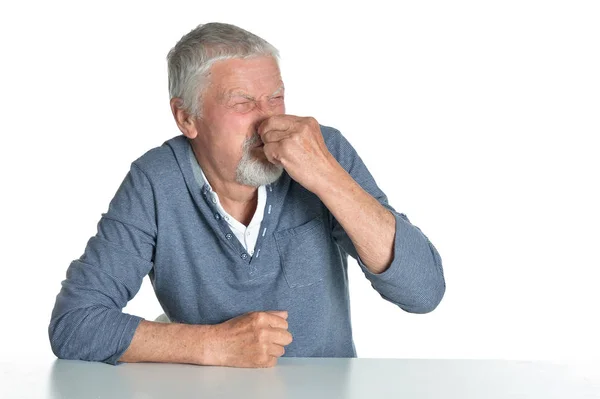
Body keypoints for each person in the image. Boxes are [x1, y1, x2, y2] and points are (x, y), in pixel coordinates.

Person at [48, 22, 446, 368]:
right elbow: (75, 324)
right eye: (242, 103)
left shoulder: (324, 152)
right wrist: (212, 344)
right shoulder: (155, 180)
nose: (268, 120)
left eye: (275, 98)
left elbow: (423, 292)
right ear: (187, 118)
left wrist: (327, 177)